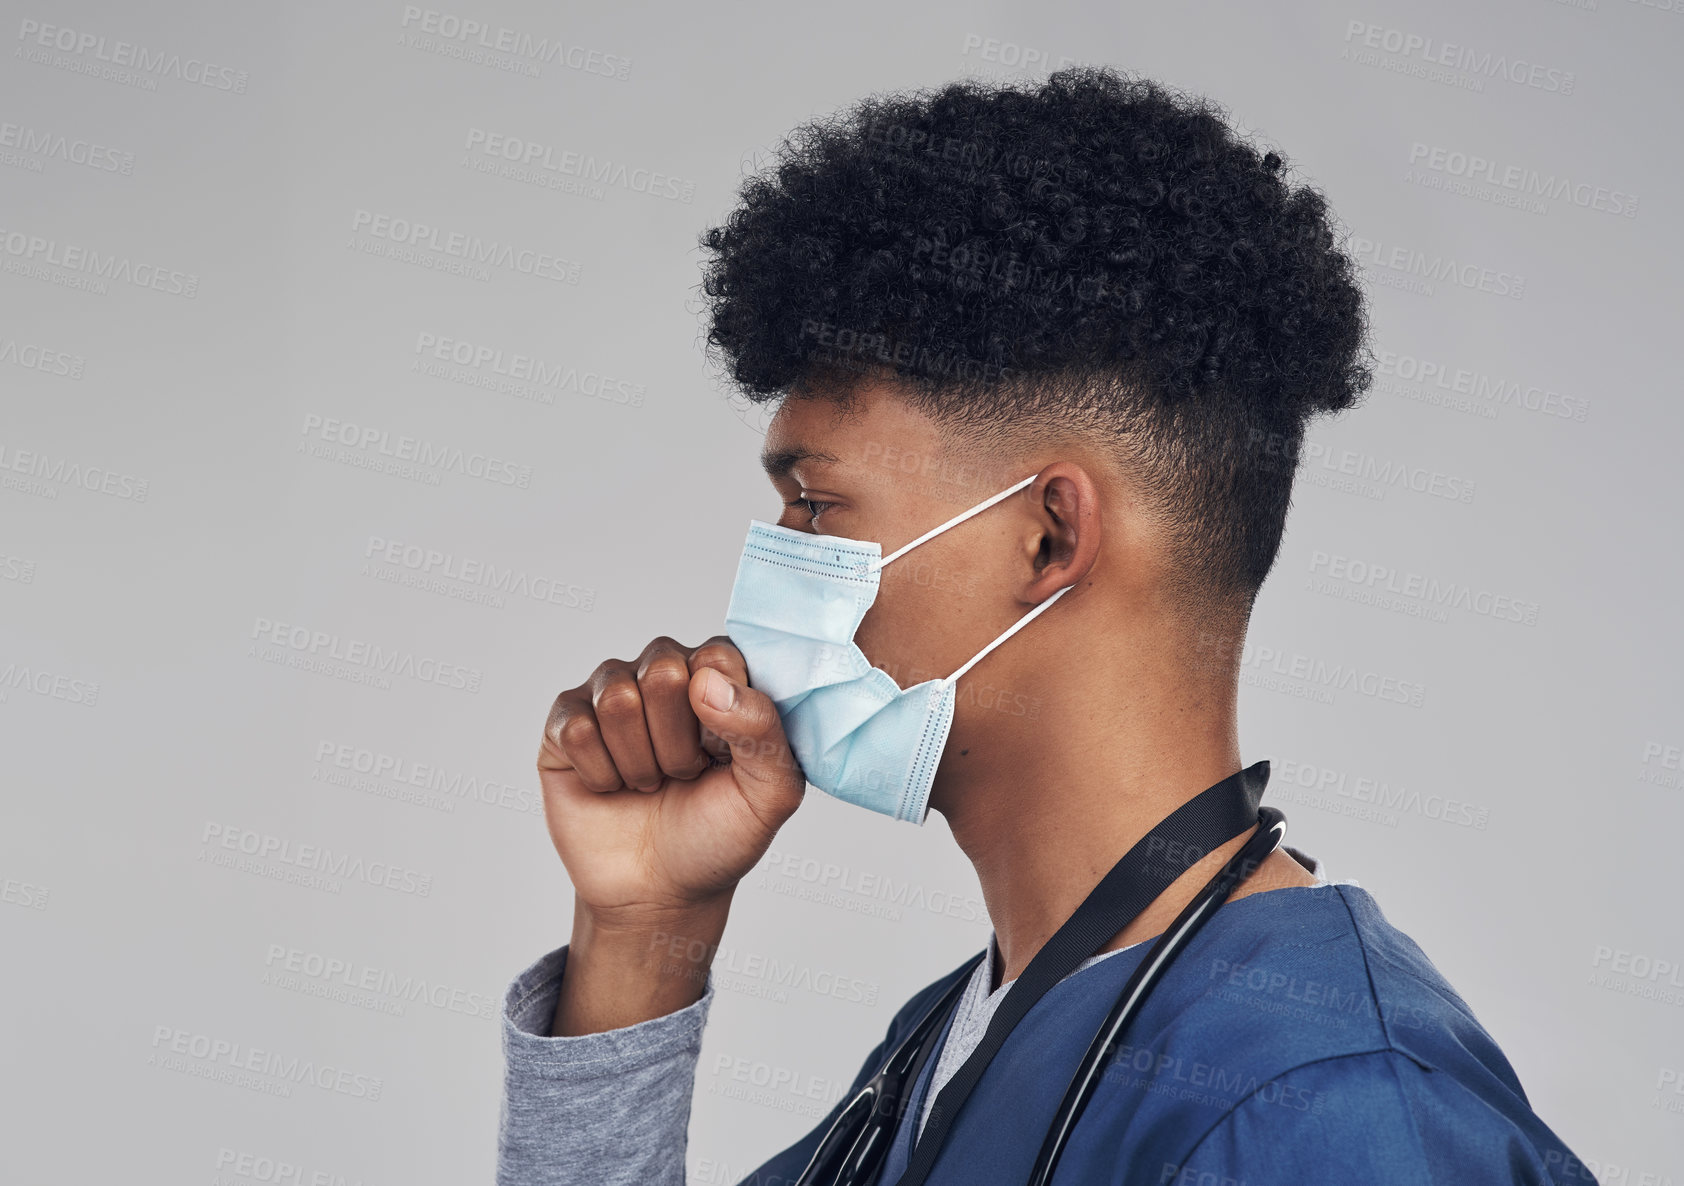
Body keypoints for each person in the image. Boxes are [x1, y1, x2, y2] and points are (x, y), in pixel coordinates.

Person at [495, 67, 1590, 1185]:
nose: (772, 569)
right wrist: (637, 936)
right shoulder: (954, 1045)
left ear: (1048, 539)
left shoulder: (1329, 1112)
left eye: (816, 505)